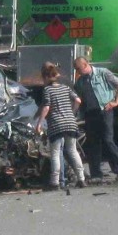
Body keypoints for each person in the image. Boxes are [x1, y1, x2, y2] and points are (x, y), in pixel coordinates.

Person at [34, 62, 86, 190]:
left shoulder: (47, 90)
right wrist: (72, 113)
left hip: (56, 124)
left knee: (56, 153)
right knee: (73, 151)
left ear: (46, 77)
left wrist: (39, 123)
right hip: (70, 122)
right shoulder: (65, 87)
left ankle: (55, 182)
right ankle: (81, 179)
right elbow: (78, 100)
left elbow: (46, 107)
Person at [73, 57, 118, 182]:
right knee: (93, 143)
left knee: (107, 139)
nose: (78, 72)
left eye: (79, 69)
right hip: (90, 114)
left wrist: (116, 102)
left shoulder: (102, 73)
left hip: (105, 110)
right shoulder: (80, 82)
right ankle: (96, 174)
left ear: (86, 65)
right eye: (76, 70)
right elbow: (77, 99)